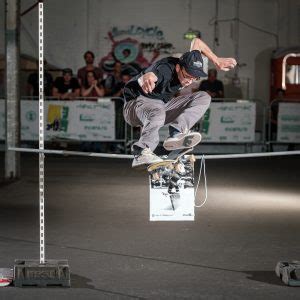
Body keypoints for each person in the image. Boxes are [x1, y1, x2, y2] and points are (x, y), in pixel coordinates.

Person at [123, 37, 236, 168]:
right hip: (134, 107)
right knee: (157, 109)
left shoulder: (189, 60)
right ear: (178, 68)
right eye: (187, 76)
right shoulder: (164, 69)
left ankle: (177, 132)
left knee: (204, 97)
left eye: (195, 77)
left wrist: (216, 60)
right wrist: (146, 78)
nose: (190, 81)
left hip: (159, 106)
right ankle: (141, 151)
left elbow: (196, 42)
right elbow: (150, 75)